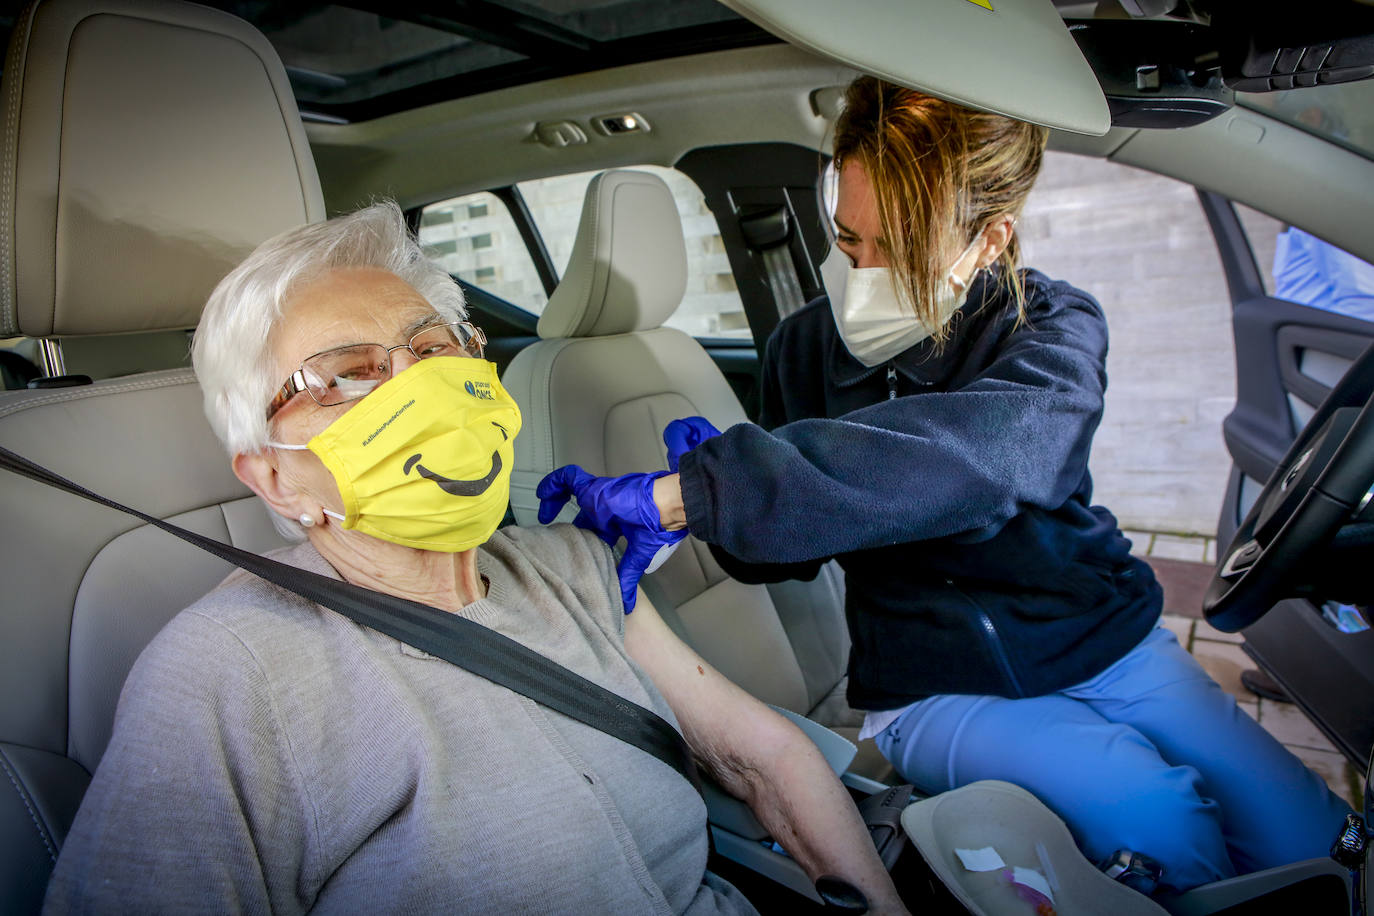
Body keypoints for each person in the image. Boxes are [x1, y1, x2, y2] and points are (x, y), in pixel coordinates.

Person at [536, 77, 1354, 895]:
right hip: (930, 687)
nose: (860, 269)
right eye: (848, 237)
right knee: (1165, 821)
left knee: (1313, 831)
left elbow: (995, 456)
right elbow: (778, 566)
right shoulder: (801, 349)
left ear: (990, 240)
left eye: (898, 244)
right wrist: (728, 514)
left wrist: (711, 490)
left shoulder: (1052, 327)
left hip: (1108, 643)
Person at [43, 202, 908, 915]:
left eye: (432, 349)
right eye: (344, 375)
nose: (418, 387)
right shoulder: (229, 672)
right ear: (274, 479)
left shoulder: (572, 563)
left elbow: (759, 753)